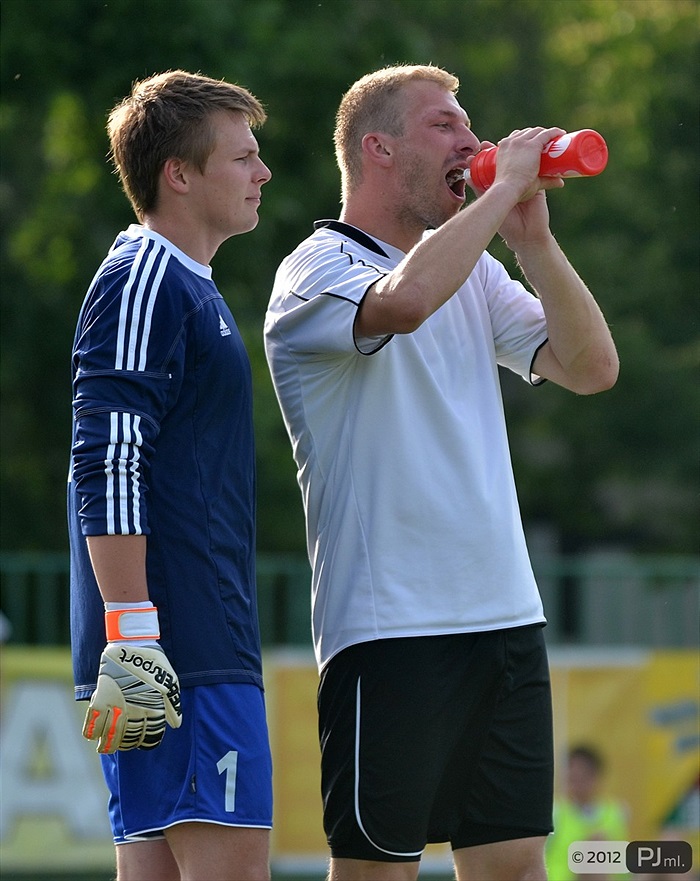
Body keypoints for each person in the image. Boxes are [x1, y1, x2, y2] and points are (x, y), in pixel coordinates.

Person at [264, 64, 619, 881]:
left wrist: (533, 238)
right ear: (378, 148)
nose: (474, 141)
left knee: (515, 867)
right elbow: (403, 301)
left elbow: (592, 366)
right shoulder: (317, 270)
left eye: (471, 126)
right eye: (446, 126)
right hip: (392, 630)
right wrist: (500, 200)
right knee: (377, 872)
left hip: (503, 619)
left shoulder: (477, 268)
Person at [68, 70, 273, 881]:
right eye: (244, 157)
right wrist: (134, 628)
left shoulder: (188, 286)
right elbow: (108, 454)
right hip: (178, 645)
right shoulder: (146, 278)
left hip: (172, 637)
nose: (262, 173)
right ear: (178, 174)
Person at [546, 745, 629, 881]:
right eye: (573, 777)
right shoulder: (556, 814)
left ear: (595, 777)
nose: (577, 783)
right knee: (596, 845)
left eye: (583, 776)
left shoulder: (618, 812)